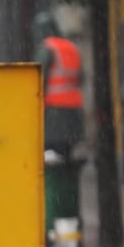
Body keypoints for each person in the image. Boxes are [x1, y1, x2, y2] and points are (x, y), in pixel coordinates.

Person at [33, 11, 85, 158]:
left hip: (54, 113)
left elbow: (37, 80)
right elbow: (81, 78)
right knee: (66, 155)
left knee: (50, 157)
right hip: (74, 110)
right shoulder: (72, 47)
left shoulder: (47, 48)